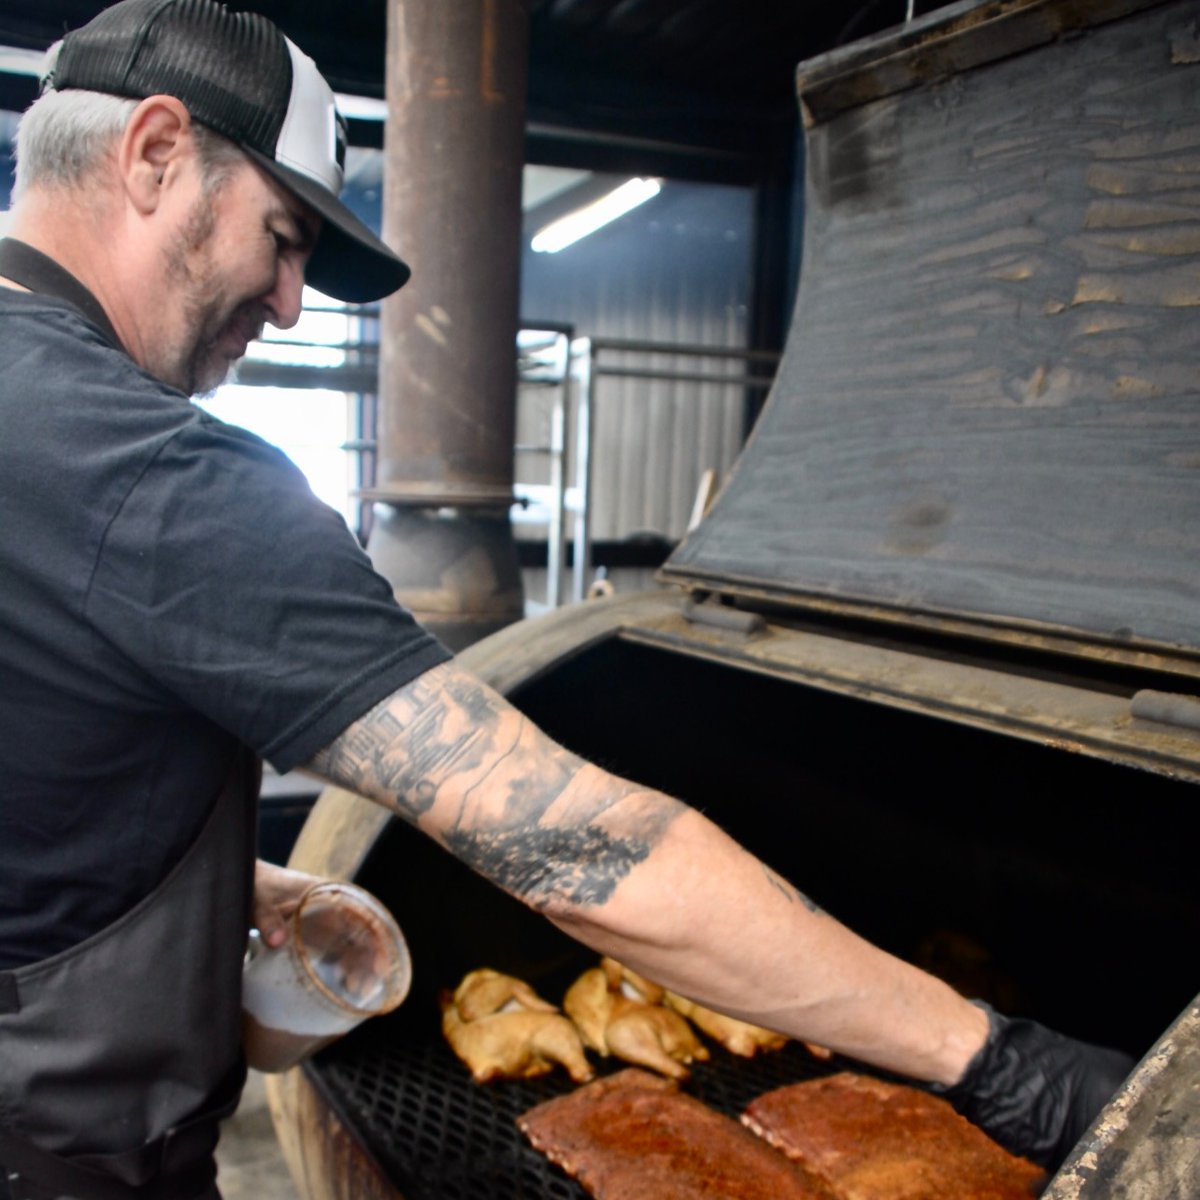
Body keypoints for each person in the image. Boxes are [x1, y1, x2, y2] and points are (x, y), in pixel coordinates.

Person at [0, 2, 1133, 1198]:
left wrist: (215, 879)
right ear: (156, 153)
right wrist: (999, 1060)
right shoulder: (154, 476)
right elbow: (577, 845)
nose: (289, 301)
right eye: (282, 237)